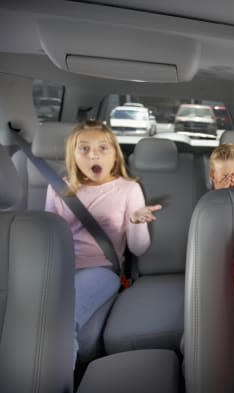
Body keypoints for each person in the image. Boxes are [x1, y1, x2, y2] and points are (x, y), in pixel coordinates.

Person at [45, 120, 162, 361]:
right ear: (73, 155)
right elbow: (47, 238)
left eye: (102, 148)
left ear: (115, 156)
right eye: (84, 148)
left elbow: (138, 249)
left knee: (60, 322)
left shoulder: (128, 189)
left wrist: (136, 223)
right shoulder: (58, 188)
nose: (93, 155)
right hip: (59, 269)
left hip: (101, 269)